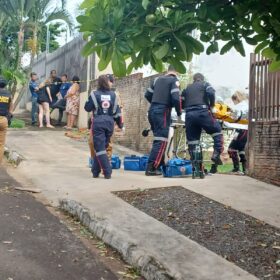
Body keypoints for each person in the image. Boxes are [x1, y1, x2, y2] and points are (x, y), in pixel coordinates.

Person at [182, 73, 224, 174]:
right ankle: (216, 154)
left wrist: (186, 108)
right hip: (203, 113)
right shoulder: (205, 84)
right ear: (202, 79)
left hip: (189, 115)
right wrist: (212, 105)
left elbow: (181, 100)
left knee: (193, 142)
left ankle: (198, 168)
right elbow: (211, 92)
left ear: (194, 79)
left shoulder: (187, 88)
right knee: (217, 131)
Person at [144, 65, 182, 176]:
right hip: (163, 112)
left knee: (159, 139)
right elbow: (176, 98)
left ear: (167, 71)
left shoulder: (157, 80)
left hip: (152, 111)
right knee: (161, 140)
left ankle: (159, 165)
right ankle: (151, 167)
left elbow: (147, 94)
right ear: (176, 72)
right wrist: (179, 112)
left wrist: (155, 104)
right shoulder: (174, 80)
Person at [84, 75, 123, 179]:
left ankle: (107, 171)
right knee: (102, 147)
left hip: (98, 122)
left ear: (98, 83)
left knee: (100, 148)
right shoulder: (114, 95)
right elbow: (117, 112)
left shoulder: (94, 94)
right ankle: (95, 171)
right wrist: (120, 124)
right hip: (110, 123)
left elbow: (87, 108)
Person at [228, 91, 249, 173]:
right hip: (244, 130)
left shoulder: (240, 106)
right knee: (241, 149)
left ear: (237, 99)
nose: (234, 103)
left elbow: (234, 118)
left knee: (231, 149)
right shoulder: (246, 105)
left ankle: (237, 168)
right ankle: (244, 170)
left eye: (234, 101)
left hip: (240, 130)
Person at [0, 77, 13, 163]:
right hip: (3, 119)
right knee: (1, 144)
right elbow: (11, 107)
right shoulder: (9, 94)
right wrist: (8, 117)